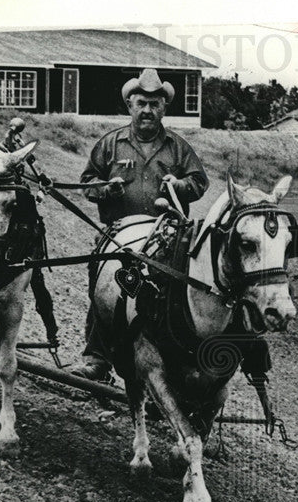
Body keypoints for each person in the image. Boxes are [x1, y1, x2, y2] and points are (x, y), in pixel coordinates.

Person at [70, 68, 209, 380]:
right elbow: (87, 183)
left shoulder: (177, 146)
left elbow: (200, 181)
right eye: (142, 103)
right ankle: (97, 358)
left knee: (171, 293)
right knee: (102, 285)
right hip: (119, 235)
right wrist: (106, 189)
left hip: (167, 234)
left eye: (155, 104)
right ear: (129, 105)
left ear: (164, 108)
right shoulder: (110, 144)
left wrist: (181, 184)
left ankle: (174, 363)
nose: (148, 110)